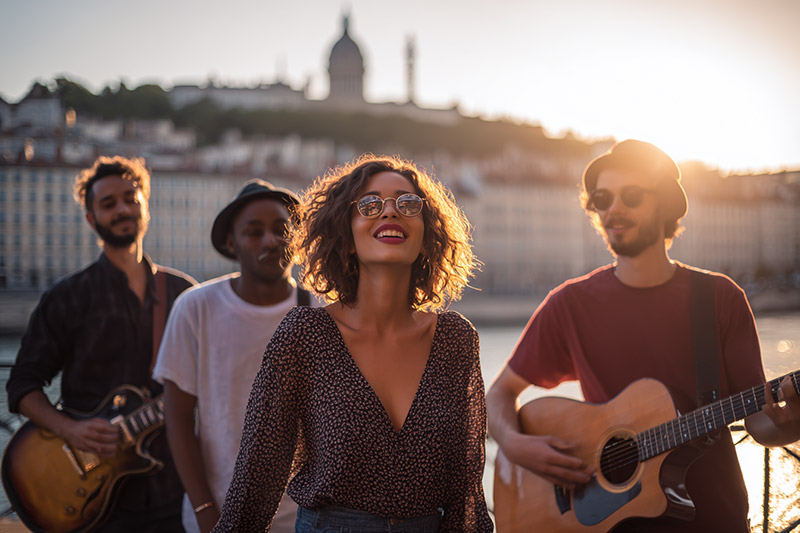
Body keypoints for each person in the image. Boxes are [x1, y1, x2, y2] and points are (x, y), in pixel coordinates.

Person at [486, 139, 800, 532]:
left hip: (715, 520)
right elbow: (499, 395)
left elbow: (759, 422)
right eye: (602, 199)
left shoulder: (721, 298)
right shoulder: (568, 304)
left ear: (666, 204)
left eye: (631, 195)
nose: (614, 209)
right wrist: (517, 445)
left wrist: (791, 424)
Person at [211, 155, 493, 532]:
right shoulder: (305, 335)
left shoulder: (455, 341)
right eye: (370, 204)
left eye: (408, 204)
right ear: (345, 237)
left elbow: (466, 498)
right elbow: (255, 485)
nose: (390, 211)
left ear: (426, 235)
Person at [6, 156, 196, 532]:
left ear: (145, 206)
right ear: (92, 219)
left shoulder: (185, 294)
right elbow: (22, 386)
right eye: (108, 204)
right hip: (94, 503)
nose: (122, 208)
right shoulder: (67, 297)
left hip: (173, 491)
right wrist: (69, 429)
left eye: (130, 197)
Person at [153, 179, 318, 533]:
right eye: (254, 232)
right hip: (217, 513)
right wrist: (205, 510)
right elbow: (178, 419)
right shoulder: (196, 307)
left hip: (304, 517)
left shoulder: (319, 310)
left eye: (281, 230)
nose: (271, 241)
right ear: (231, 242)